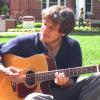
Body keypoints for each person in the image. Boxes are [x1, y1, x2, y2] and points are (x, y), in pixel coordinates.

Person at [0, 5, 100, 100]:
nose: (44, 30)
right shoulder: (25, 42)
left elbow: (72, 81)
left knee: (98, 78)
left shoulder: (73, 46)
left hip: (64, 94)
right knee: (32, 98)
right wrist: (5, 71)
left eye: (51, 28)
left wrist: (64, 83)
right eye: (44, 24)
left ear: (63, 32)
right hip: (41, 97)